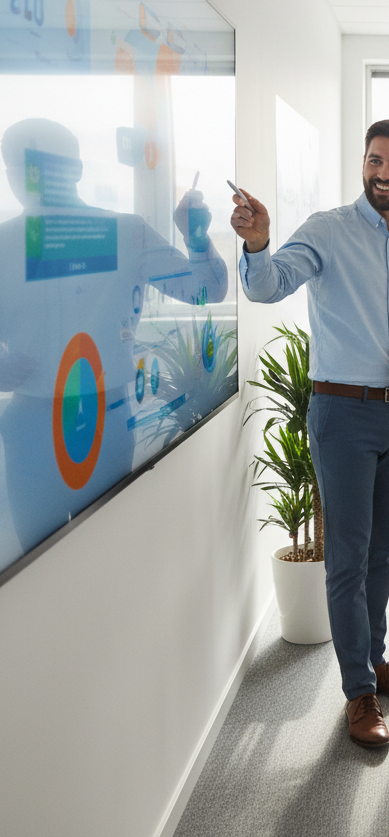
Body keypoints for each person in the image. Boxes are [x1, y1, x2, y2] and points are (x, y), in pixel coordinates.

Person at [231, 119, 389, 750]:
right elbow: (269, 286)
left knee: (383, 550)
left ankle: (375, 662)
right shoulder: (327, 228)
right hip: (341, 413)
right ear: (363, 163)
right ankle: (359, 692)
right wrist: (260, 241)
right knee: (347, 558)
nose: (384, 173)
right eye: (375, 161)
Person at [0, 118, 227, 561]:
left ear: (77, 170)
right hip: (33, 420)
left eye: (40, 167)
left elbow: (205, 291)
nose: (29, 179)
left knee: (104, 556)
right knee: (37, 568)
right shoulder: (4, 242)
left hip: (105, 416)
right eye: (19, 166)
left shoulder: (127, 232)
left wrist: (197, 236)